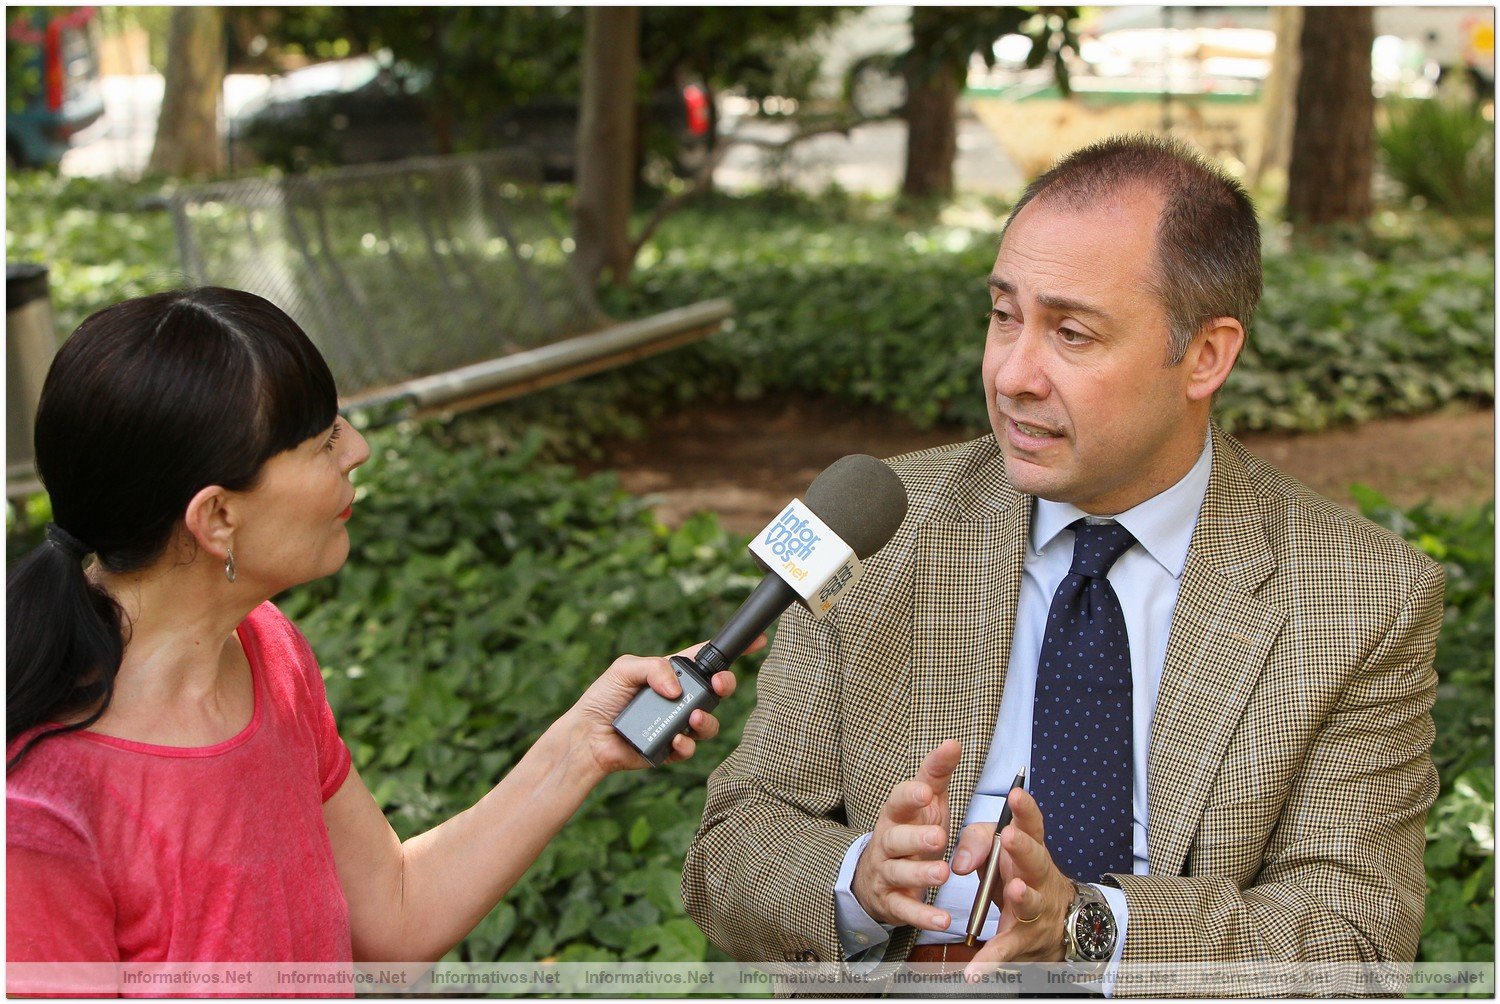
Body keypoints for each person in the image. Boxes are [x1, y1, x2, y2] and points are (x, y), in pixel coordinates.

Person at [683, 135, 1442, 995]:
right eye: (1004, 315)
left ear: (1206, 356)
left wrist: (1084, 928)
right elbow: (730, 843)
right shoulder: (866, 523)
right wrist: (859, 880)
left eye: (1071, 333)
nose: (1011, 373)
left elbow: (1355, 942)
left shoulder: (1363, 594)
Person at [6, 287, 741, 975]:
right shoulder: (38, 812)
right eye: (323, 442)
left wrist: (581, 748)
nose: (356, 448)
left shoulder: (265, 650)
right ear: (217, 518)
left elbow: (392, 912)